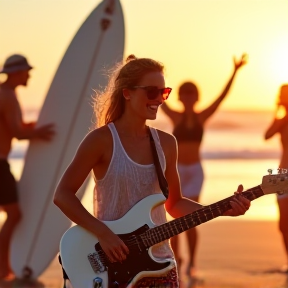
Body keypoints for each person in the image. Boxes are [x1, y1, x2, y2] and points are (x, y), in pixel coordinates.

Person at [53, 55, 251, 288]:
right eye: (151, 92)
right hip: (113, 264)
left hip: (160, 263)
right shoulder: (101, 140)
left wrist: (222, 210)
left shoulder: (166, 144)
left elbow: (174, 204)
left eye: (163, 92)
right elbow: (63, 195)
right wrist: (104, 234)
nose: (159, 99)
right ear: (127, 93)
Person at [160, 54, 247, 282]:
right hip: (176, 171)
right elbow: (159, 98)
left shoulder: (201, 118)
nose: (188, 97)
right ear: (180, 97)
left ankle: (192, 263)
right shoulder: (175, 116)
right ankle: (176, 260)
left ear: (197, 97)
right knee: (175, 218)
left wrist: (235, 71)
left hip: (195, 171)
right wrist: (135, 65)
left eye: (192, 94)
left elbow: (222, 97)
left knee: (193, 217)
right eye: (185, 94)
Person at [0, 54, 55, 280]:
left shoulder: (4, 94)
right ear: (15, 73)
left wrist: (32, 127)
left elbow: (10, 126)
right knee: (14, 214)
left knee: (11, 214)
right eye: (26, 71)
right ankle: (2, 268)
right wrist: (40, 133)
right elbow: (17, 132)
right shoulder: (8, 96)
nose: (29, 75)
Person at [264, 84, 288, 274]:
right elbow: (267, 135)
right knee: (283, 224)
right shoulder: (281, 119)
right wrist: (280, 116)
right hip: (282, 174)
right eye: (282, 95)